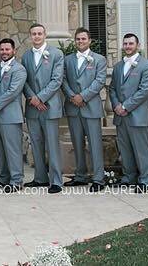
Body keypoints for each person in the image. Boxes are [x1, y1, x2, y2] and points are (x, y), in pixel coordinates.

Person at [62, 28, 108, 192]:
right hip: (73, 107)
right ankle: (80, 176)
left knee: (95, 144)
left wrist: (83, 96)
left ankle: (98, 178)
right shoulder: (67, 60)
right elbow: (63, 80)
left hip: (91, 107)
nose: (80, 42)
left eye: (83, 39)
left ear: (89, 41)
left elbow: (100, 80)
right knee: (77, 143)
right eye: (78, 39)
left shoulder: (99, 59)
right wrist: (73, 96)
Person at [21, 23, 65, 193]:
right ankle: (40, 178)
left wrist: (41, 98)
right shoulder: (26, 56)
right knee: (36, 143)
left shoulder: (56, 54)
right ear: (30, 36)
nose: (37, 36)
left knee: (52, 145)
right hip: (32, 107)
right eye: (34, 34)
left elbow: (56, 80)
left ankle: (56, 181)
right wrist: (33, 98)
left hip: (50, 106)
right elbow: (23, 80)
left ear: (45, 35)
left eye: (39, 33)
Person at [109, 33, 148, 192]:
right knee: (125, 149)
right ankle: (128, 177)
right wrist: (116, 105)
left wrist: (126, 106)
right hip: (120, 116)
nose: (128, 46)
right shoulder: (118, 66)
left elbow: (144, 91)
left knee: (142, 149)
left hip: (137, 115)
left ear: (138, 45)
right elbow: (113, 88)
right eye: (126, 44)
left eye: (131, 43)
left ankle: (146, 180)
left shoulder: (146, 65)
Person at [0, 38, 27, 193]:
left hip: (10, 116)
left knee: (13, 149)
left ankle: (16, 180)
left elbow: (13, 91)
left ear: (14, 51)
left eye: (7, 49)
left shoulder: (19, 69)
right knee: (0, 149)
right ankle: (3, 177)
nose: (4, 52)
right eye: (2, 49)